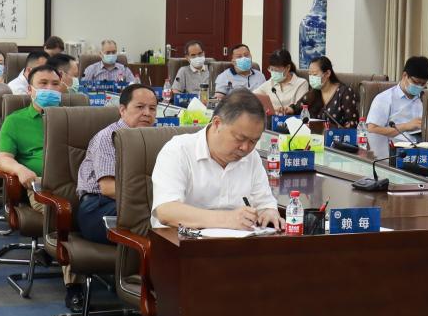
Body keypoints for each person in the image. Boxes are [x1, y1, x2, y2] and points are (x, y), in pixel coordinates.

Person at [151, 90, 278, 231]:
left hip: (238, 242)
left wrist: (268, 212)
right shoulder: (178, 150)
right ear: (217, 123)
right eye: (240, 138)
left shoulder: (251, 157)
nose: (245, 148)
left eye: (253, 141)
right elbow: (166, 211)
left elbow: (265, 203)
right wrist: (227, 219)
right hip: (181, 241)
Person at [75, 83, 158, 244]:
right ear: (122, 110)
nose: (147, 113)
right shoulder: (108, 137)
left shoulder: (153, 138)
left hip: (135, 204)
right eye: (140, 107)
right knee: (159, 218)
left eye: (152, 108)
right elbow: (108, 188)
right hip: (99, 208)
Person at [0, 61, 64, 190]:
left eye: (55, 84)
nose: (50, 88)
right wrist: (20, 170)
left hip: (77, 182)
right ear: (30, 90)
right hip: (40, 185)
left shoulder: (72, 118)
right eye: (43, 83)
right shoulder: (14, 121)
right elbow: (3, 159)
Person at [365, 55, 428, 159]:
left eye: (423, 84)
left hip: (423, 153)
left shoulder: (426, 100)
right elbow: (372, 130)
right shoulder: (384, 98)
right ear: (405, 75)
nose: (419, 87)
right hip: (393, 155)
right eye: (416, 82)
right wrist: (405, 126)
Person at [302, 55, 360, 129]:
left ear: (327, 73)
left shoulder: (345, 92)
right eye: (310, 74)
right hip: (314, 134)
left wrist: (330, 127)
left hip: (337, 135)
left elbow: (353, 123)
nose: (312, 78)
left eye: (315, 74)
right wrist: (290, 109)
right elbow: (298, 106)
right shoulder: (314, 91)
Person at [258, 49, 307, 116]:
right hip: (271, 119)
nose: (274, 73)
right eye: (272, 69)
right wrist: (273, 109)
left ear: (288, 67)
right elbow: (252, 97)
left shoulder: (301, 83)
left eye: (277, 70)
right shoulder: (270, 82)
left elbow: (300, 107)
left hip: (292, 120)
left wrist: (288, 110)